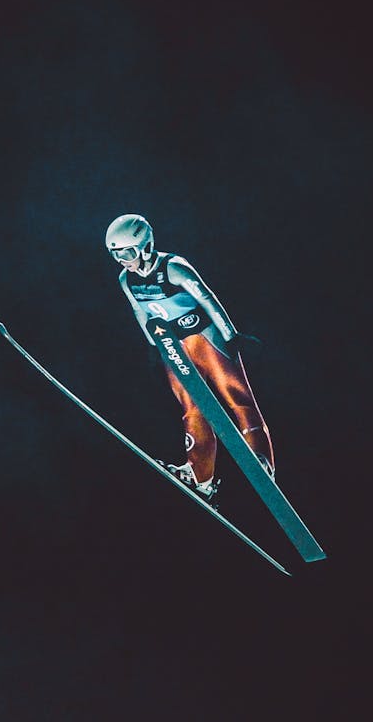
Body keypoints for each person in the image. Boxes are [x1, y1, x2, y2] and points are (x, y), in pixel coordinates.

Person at [106, 213, 274, 504]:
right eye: (116, 255)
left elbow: (207, 298)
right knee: (192, 409)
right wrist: (153, 346)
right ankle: (200, 476)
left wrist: (231, 335)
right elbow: (139, 312)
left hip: (206, 338)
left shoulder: (174, 267)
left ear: (145, 247)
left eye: (128, 253)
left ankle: (261, 460)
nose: (123, 261)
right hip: (174, 347)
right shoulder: (126, 279)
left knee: (236, 397)